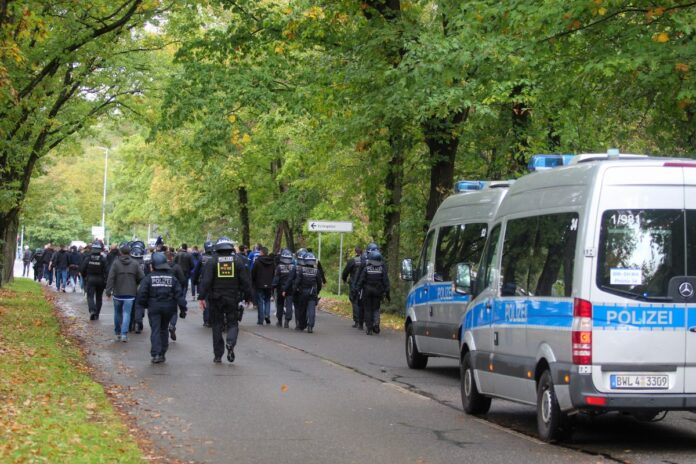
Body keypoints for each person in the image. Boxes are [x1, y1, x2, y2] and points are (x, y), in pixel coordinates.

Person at [197, 237, 252, 363]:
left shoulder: (212, 261)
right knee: (233, 323)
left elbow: (206, 281)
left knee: (216, 325)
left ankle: (218, 355)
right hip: (233, 297)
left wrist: (201, 297)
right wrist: (249, 297)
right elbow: (245, 282)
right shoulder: (237, 261)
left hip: (216, 299)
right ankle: (230, 343)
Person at [136, 252, 187, 364]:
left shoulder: (149, 278)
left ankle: (156, 354)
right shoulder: (172, 278)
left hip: (154, 307)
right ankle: (162, 353)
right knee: (164, 329)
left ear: (153, 265)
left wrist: (143, 306)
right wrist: (183, 308)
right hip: (169, 307)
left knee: (155, 329)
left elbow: (141, 294)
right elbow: (179, 294)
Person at [105, 244, 144, 342]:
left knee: (117, 313)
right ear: (130, 252)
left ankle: (117, 332)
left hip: (117, 292)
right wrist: (135, 284)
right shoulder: (135, 263)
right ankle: (124, 334)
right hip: (130, 293)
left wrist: (108, 291)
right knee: (127, 313)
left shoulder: (116, 263)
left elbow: (111, 278)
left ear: (121, 252)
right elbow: (142, 277)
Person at [356, 249, 390, 335]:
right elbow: (386, 281)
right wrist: (387, 293)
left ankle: (369, 328)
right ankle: (376, 324)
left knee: (367, 309)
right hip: (378, 292)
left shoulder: (367, 268)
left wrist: (358, 290)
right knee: (376, 308)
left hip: (367, 291)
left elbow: (361, 280)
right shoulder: (381, 269)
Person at [293, 251, 322, 333]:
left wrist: (294, 290)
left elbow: (297, 282)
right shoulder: (316, 271)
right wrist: (317, 291)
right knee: (311, 309)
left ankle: (302, 325)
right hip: (312, 292)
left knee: (303, 309)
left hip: (303, 293)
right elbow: (319, 283)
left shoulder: (302, 270)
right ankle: (310, 326)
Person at [81, 241, 108, 320]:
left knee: (90, 296)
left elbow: (82, 269)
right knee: (99, 297)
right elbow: (107, 270)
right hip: (100, 280)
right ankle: (97, 314)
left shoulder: (88, 259)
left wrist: (85, 277)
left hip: (90, 279)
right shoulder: (103, 259)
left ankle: (92, 310)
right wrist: (105, 280)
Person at [165, 249, 187, 340]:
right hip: (173, 292)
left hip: (160, 293)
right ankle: (172, 325)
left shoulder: (159, 267)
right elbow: (182, 280)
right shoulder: (176, 267)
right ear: (172, 257)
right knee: (174, 310)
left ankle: (163, 328)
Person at [192, 240, 215, 327]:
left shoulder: (202, 258)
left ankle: (206, 320)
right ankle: (212, 319)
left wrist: (194, 281)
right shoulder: (215, 258)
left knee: (205, 300)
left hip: (203, 282)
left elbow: (196, 271)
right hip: (214, 283)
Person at [251, 247, 275, 325]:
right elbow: (274, 273)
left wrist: (253, 282)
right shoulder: (272, 262)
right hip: (269, 284)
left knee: (260, 301)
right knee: (267, 300)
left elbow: (253, 273)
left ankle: (260, 319)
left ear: (261, 252)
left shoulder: (257, 262)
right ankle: (267, 315)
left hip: (259, 284)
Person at [272, 248, 295, 328]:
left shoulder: (279, 267)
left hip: (280, 288)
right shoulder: (293, 267)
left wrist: (273, 286)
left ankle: (279, 321)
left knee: (280, 304)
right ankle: (287, 321)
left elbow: (276, 278)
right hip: (290, 288)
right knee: (289, 305)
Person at [342, 246, 364, 328]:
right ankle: (363, 320)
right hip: (364, 284)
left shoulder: (352, 261)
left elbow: (345, 272)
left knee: (355, 301)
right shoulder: (366, 260)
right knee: (363, 301)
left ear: (355, 252)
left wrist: (344, 279)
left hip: (354, 283)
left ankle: (357, 321)